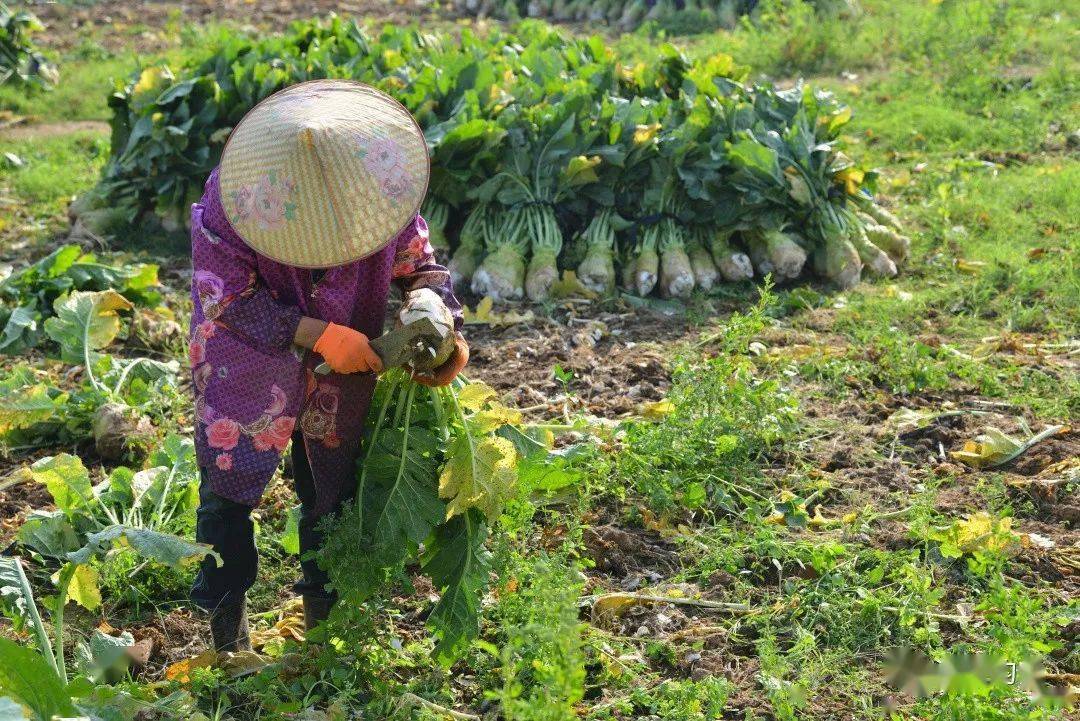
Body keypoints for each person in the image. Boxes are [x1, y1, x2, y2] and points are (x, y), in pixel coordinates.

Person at [186, 80, 468, 652]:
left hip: (345, 367)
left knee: (329, 490)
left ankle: (324, 636)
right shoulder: (234, 199)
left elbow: (421, 265)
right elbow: (225, 296)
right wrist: (314, 334)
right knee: (229, 490)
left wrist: (435, 312)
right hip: (249, 358)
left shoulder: (381, 183)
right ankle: (227, 641)